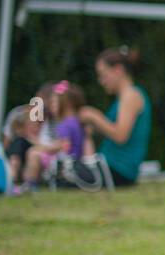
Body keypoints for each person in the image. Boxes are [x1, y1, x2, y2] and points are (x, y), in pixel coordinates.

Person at [79, 47, 151, 187]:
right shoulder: (124, 97)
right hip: (112, 169)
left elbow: (120, 135)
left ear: (118, 69)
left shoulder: (131, 96)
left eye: (103, 74)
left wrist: (93, 116)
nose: (101, 81)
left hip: (117, 171)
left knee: (62, 175)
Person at [19, 81, 87, 191]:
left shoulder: (65, 125)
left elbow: (63, 146)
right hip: (73, 161)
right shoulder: (75, 122)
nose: (51, 107)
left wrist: (43, 147)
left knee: (33, 153)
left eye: (54, 103)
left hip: (63, 163)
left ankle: (30, 184)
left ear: (66, 104)